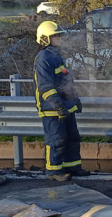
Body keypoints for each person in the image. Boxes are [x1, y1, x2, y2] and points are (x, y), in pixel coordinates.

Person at [33, 21, 89, 180]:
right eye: (55, 35)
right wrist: (58, 105)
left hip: (66, 106)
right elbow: (45, 87)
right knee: (56, 139)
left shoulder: (56, 56)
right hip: (52, 108)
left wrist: (74, 99)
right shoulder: (43, 58)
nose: (59, 38)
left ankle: (73, 167)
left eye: (59, 35)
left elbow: (66, 81)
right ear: (45, 39)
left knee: (72, 137)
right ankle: (54, 171)